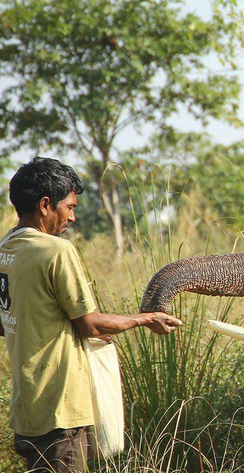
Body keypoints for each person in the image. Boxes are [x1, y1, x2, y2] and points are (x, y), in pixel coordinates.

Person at [0, 157, 182, 472]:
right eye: (69, 207)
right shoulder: (56, 251)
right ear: (45, 205)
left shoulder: (6, 248)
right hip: (61, 408)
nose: (72, 216)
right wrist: (146, 319)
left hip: (27, 408)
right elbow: (90, 323)